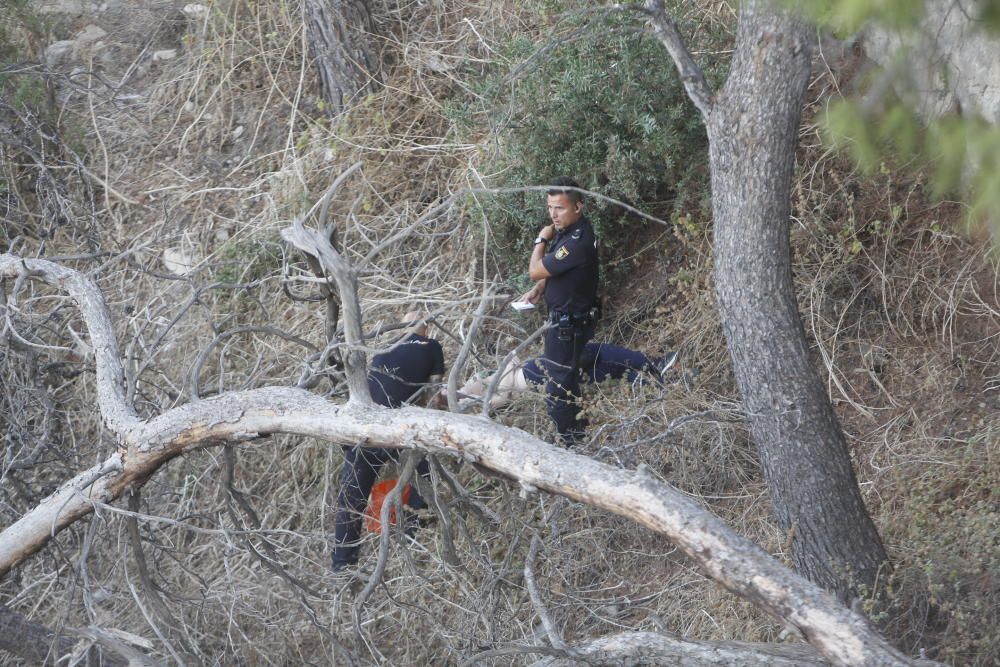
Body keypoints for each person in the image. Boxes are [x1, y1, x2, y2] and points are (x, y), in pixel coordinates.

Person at [331, 311, 444, 572]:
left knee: (352, 498)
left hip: (363, 429)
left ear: (401, 328)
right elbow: (434, 398)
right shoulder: (432, 346)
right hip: (395, 431)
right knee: (427, 475)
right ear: (425, 328)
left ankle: (342, 563)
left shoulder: (383, 349)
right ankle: (413, 529)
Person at [519, 177, 600, 445]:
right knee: (568, 376)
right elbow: (556, 269)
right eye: (550, 208)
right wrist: (542, 288)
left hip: (567, 327)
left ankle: (575, 446)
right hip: (568, 323)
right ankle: (579, 434)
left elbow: (535, 269)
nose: (553, 215)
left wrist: (540, 239)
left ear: (578, 207)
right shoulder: (571, 232)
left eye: (560, 208)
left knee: (558, 392)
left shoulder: (577, 241)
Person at [458, 342, 674, 411]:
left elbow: (511, 359)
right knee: (596, 358)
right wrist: (507, 373)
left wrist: (507, 373)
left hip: (535, 368)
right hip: (539, 380)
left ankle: (655, 375)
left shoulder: (478, 382)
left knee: (596, 367)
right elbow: (504, 396)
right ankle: (654, 372)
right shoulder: (482, 403)